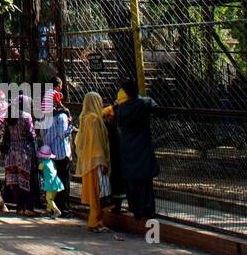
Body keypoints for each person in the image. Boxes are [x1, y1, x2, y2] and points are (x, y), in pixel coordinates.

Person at [113, 79, 159, 221]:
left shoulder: (122, 108)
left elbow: (118, 123)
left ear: (125, 92)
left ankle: (136, 209)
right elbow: (158, 110)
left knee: (131, 180)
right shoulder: (145, 102)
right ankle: (148, 210)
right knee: (145, 180)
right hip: (142, 145)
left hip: (127, 146)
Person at [76, 91, 111, 232]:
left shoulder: (84, 118)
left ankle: (97, 221)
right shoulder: (94, 120)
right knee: (98, 193)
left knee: (93, 193)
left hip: (87, 161)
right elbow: (96, 142)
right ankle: (94, 223)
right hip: (96, 161)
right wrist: (102, 161)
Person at [1, 92, 37, 215]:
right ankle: (29, 208)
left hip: (11, 151)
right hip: (24, 151)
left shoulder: (8, 116)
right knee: (26, 179)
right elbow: (32, 134)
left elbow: (4, 132)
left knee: (15, 181)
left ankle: (19, 207)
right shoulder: (26, 116)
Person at [42, 103, 75, 208]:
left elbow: (43, 136)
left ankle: (54, 206)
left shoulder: (44, 117)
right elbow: (62, 134)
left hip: (50, 154)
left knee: (53, 181)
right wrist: (71, 128)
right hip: (62, 153)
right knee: (64, 181)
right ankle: (64, 207)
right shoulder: (62, 116)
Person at [38, 145, 64, 217]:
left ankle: (56, 210)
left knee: (48, 198)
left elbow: (39, 171)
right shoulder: (52, 162)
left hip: (49, 184)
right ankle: (48, 210)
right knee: (51, 198)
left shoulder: (42, 164)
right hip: (56, 182)